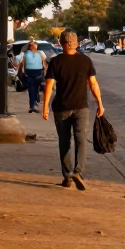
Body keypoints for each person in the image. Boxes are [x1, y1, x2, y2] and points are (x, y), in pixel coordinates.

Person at [42, 29, 105, 190]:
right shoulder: (85, 61)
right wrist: (100, 103)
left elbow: (49, 85)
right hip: (81, 107)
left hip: (61, 108)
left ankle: (68, 176)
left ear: (61, 43)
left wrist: (45, 107)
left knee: (64, 142)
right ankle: (78, 171)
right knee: (81, 140)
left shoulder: (56, 62)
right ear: (76, 43)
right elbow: (93, 84)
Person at [18, 39, 48, 114]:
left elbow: (44, 63)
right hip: (31, 72)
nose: (34, 46)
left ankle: (34, 103)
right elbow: (23, 63)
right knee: (32, 88)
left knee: (34, 88)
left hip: (36, 72)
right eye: (32, 45)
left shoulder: (39, 53)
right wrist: (23, 71)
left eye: (35, 44)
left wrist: (45, 72)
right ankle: (33, 104)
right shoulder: (28, 53)